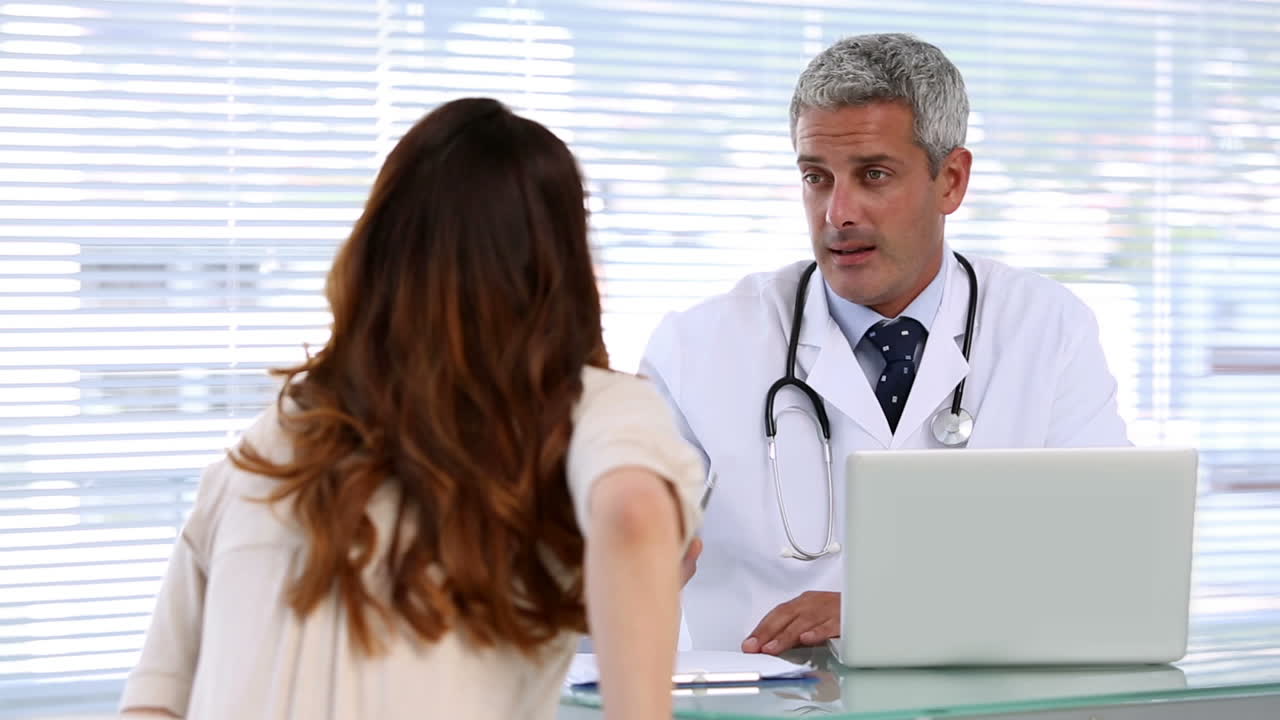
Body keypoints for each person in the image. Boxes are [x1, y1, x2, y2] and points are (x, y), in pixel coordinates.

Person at [119, 97, 705, 720]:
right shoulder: (589, 409)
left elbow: (154, 704)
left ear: (375, 249)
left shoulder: (278, 440)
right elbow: (636, 513)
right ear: (562, 264)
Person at [639, 33, 1130, 655]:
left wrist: (886, 613)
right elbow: (616, 552)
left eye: (873, 175)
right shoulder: (698, 345)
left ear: (951, 180)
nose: (837, 213)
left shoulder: (1048, 328)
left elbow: (1109, 564)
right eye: (817, 178)